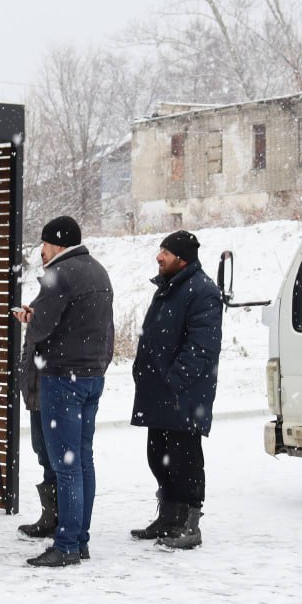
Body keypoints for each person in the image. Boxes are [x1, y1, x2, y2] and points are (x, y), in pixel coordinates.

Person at [14, 216, 115, 568]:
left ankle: (68, 544)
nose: (41, 252)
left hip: (62, 378)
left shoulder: (61, 273)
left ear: (55, 244)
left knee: (65, 465)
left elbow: (43, 326)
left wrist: (30, 318)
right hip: (91, 377)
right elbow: (99, 327)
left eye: (43, 245)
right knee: (82, 460)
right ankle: (80, 538)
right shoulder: (98, 272)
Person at [130, 230, 223, 550]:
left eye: (165, 253)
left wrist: (174, 381)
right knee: (158, 456)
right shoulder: (170, 287)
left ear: (182, 259)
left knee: (186, 461)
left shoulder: (202, 291)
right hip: (159, 392)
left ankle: (190, 525)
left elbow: (202, 346)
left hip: (182, 394)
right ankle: (169, 518)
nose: (159, 257)